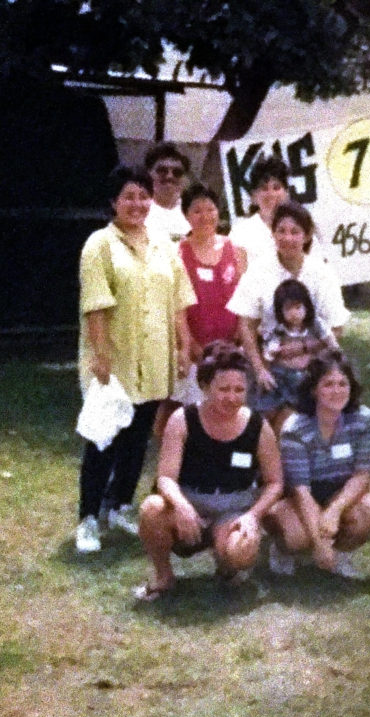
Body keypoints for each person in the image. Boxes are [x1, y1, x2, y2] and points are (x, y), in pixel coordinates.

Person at [75, 165, 195, 554]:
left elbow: (178, 301)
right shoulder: (99, 245)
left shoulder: (164, 245)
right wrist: (101, 358)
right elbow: (95, 305)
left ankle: (120, 506)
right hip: (115, 361)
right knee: (104, 439)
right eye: (129, 196)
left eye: (143, 196)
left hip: (155, 359)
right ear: (114, 201)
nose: (138, 204)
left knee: (137, 440)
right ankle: (89, 519)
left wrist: (182, 347)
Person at [135, 343, 282, 600]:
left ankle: (226, 565)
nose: (232, 397)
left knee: (242, 552)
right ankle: (164, 576)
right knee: (151, 509)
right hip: (190, 502)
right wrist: (181, 506)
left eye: (239, 390)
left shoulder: (258, 426)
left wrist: (252, 516)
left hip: (233, 508)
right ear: (204, 387)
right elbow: (165, 477)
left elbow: (275, 483)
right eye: (223, 389)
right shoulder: (182, 419)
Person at [265, 350, 370, 577]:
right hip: (300, 496)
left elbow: (362, 475)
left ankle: (340, 553)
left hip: (339, 491)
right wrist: (318, 541)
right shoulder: (295, 427)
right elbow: (300, 490)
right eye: (328, 384)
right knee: (296, 537)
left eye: (343, 384)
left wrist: (334, 511)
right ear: (313, 390)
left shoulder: (364, 419)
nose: (337, 391)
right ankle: (284, 550)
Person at [227, 201, 349, 414]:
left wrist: (304, 348)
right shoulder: (260, 270)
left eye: (295, 231)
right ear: (273, 234)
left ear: (307, 235)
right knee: (263, 426)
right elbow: (246, 324)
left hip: (311, 366)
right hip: (268, 362)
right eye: (281, 231)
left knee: (290, 423)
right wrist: (260, 369)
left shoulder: (321, 273)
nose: (287, 238)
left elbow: (337, 328)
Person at [165, 183, 246, 412]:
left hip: (231, 347)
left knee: (228, 408)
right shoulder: (176, 253)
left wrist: (240, 333)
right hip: (193, 349)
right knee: (191, 411)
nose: (205, 216)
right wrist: (189, 344)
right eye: (197, 211)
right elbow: (176, 305)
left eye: (210, 209)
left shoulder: (235, 249)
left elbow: (243, 295)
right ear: (186, 216)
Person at [257, 279, 338, 432]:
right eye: (288, 309)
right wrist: (266, 368)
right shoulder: (279, 330)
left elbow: (331, 342)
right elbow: (269, 353)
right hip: (281, 376)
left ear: (307, 306)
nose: (294, 313)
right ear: (280, 312)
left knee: (295, 416)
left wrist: (333, 357)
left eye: (298, 307)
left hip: (307, 376)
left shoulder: (315, 325)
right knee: (267, 412)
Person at [228, 154, 292, 266]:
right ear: (253, 196)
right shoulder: (240, 233)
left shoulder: (301, 227)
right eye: (264, 188)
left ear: (286, 192)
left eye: (276, 188)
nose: (271, 194)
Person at [143, 142, 191, 242]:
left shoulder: (194, 211)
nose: (169, 176)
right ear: (149, 174)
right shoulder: (138, 210)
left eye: (177, 172)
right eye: (162, 171)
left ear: (185, 179)